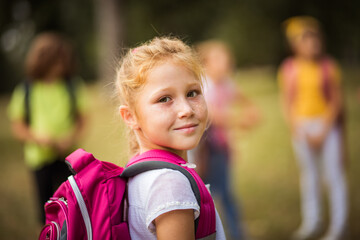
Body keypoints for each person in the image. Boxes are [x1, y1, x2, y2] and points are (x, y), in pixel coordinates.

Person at [115, 36, 226, 239]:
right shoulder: (169, 184)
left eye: (192, 93)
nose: (186, 110)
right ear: (130, 116)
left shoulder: (139, 170)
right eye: (164, 99)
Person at [277, 16, 348, 240]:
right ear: (296, 45)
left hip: (326, 126)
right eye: (306, 40)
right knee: (310, 176)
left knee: (333, 176)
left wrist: (323, 130)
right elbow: (287, 102)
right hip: (302, 128)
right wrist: (298, 128)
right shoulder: (289, 69)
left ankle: (339, 226)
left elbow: (336, 101)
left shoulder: (329, 66)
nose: (312, 45)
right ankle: (312, 221)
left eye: (314, 40)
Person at [7, 32, 87, 224]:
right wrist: (38, 139)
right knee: (45, 208)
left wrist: (71, 137)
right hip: (39, 158)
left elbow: (82, 118)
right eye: (56, 61)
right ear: (44, 61)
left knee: (72, 202)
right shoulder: (27, 89)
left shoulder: (72, 86)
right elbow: (17, 125)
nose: (61, 66)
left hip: (68, 156)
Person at [189, 40, 260, 240]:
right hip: (205, 150)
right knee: (207, 195)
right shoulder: (205, 85)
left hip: (221, 148)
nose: (226, 63)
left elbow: (242, 99)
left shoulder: (226, 83)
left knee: (226, 193)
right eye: (219, 59)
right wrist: (239, 120)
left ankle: (236, 233)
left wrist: (250, 111)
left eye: (227, 59)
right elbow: (211, 113)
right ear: (207, 64)